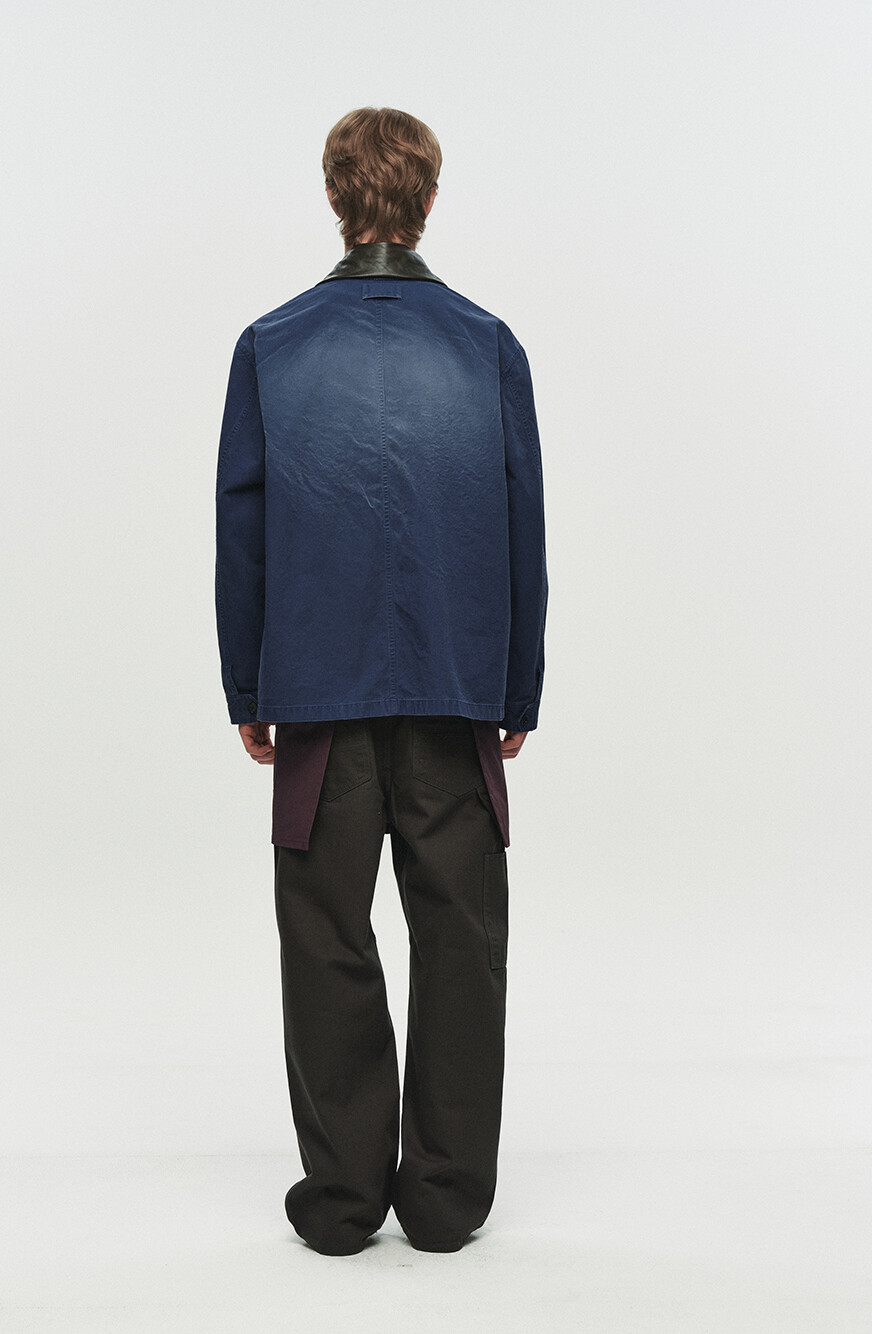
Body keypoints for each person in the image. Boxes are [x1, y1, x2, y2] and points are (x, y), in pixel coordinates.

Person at [214, 106, 548, 1255]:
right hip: (457, 683)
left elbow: (243, 529)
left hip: (315, 683)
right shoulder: (487, 344)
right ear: (428, 200)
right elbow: (524, 524)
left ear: (332, 196)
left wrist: (248, 684)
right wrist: (517, 686)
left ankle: (344, 1199)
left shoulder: (271, 345)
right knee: (460, 934)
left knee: (325, 934)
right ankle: (446, 1199)